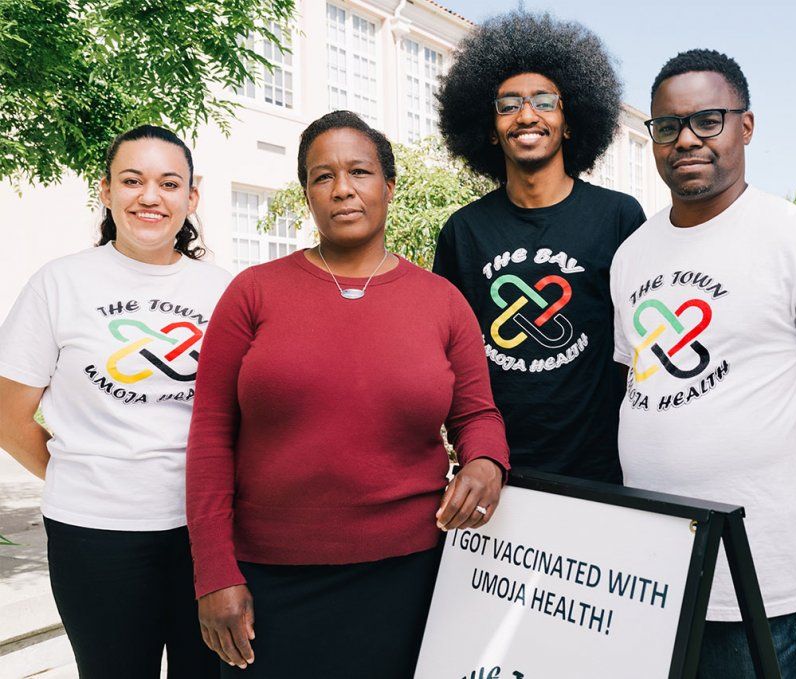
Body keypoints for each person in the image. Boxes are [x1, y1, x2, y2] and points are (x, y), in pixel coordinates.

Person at [186, 110, 509, 677]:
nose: (342, 190)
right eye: (321, 176)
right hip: (269, 580)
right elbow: (210, 436)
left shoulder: (442, 302)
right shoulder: (252, 294)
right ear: (307, 194)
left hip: (409, 575)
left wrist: (486, 462)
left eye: (359, 172)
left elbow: (478, 415)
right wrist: (214, 572)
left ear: (388, 184)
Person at [610, 50, 796, 676]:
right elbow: (639, 382)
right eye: (666, 126)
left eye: (707, 120)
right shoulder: (631, 254)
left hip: (759, 578)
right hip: (650, 567)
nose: (686, 140)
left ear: (747, 126)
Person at [0, 125, 230, 678]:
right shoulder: (60, 284)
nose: (150, 197)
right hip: (93, 535)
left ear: (191, 198)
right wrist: (82, 473)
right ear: (105, 191)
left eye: (169, 183)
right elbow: (8, 419)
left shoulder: (224, 290)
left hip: (203, 533)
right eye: (132, 180)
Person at [432, 11, 645, 484]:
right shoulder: (462, 232)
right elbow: (449, 360)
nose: (527, 115)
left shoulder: (620, 218)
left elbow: (643, 352)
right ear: (489, 129)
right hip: (497, 472)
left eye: (544, 101)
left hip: (604, 473)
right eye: (508, 106)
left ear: (570, 122)